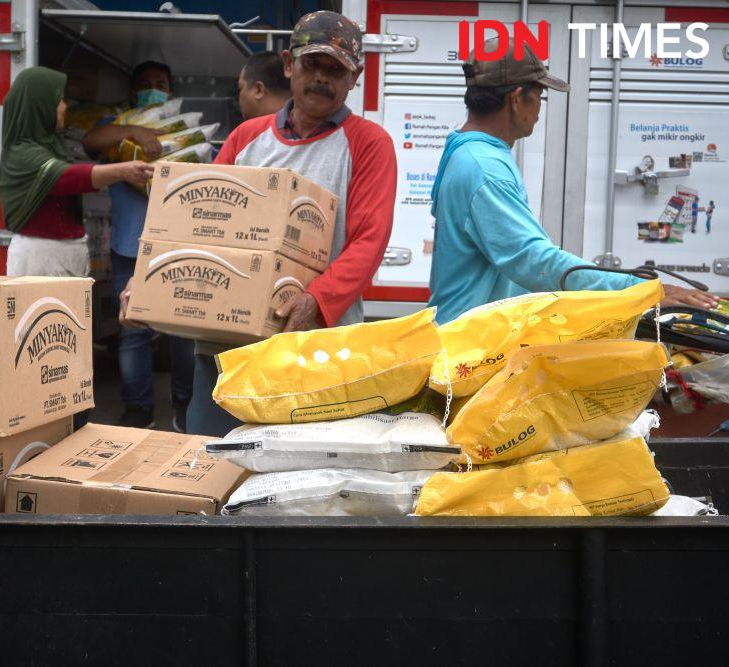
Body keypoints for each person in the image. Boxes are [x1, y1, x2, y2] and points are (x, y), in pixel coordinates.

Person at [122, 11, 397, 437]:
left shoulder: (367, 143)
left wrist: (315, 300)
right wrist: (145, 281)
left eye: (336, 70)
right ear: (289, 64)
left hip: (316, 347)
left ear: (354, 78)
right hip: (226, 346)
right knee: (212, 462)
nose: (322, 78)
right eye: (312, 64)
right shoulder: (247, 137)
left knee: (297, 475)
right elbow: (196, 224)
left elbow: (369, 241)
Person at [427, 37, 719, 325]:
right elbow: (533, 259)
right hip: (468, 346)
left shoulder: (469, 152)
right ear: (516, 99)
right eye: (539, 96)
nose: (540, 110)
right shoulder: (484, 167)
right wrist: (640, 291)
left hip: (473, 336)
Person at [82, 61, 195, 431]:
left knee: (182, 333)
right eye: (145, 83)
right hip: (129, 246)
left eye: (160, 83)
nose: (153, 88)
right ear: (132, 93)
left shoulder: (184, 132)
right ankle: (138, 410)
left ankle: (185, 406)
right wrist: (136, 130)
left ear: (172, 92)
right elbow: (89, 141)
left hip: (177, 243)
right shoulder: (115, 129)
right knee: (133, 332)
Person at [0, 67, 152, 279]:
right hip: (40, 257)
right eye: (59, 100)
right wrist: (123, 171)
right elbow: (65, 179)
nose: (65, 106)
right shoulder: (23, 153)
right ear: (40, 105)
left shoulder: (50, 146)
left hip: (65, 253)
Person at [237, 52, 291, 119]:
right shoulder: (305, 125)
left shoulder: (246, 129)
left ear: (259, 90)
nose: (238, 98)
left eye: (240, 88)